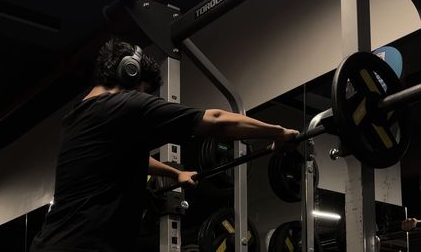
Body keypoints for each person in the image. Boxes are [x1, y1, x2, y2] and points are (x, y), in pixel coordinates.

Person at [30, 39, 299, 252]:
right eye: (143, 91)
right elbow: (216, 121)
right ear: (129, 74)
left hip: (52, 242)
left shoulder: (76, 117)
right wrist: (276, 132)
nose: (143, 98)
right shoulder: (125, 105)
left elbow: (123, 157)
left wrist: (174, 173)